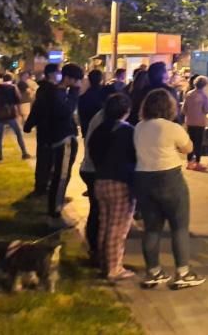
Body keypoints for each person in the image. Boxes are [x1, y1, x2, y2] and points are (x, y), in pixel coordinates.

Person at [133, 88, 204, 290]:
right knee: (179, 226)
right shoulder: (171, 128)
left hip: (144, 179)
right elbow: (188, 148)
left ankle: (153, 271)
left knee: (151, 228)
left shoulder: (139, 127)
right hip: (169, 178)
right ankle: (182, 272)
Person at [25, 63, 83, 222]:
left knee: (60, 175)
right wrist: (75, 92)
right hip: (62, 138)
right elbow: (66, 112)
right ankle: (55, 213)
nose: (78, 84)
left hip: (60, 137)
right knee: (61, 176)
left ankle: (55, 208)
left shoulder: (57, 91)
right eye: (77, 80)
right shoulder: (58, 93)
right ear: (69, 78)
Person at [89, 93, 136, 281]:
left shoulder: (99, 129)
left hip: (100, 181)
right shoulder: (127, 131)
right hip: (120, 182)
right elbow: (134, 157)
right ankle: (113, 268)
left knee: (105, 224)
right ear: (126, 111)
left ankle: (103, 261)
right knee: (117, 228)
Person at [79, 104, 106, 268]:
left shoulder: (99, 116)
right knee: (98, 211)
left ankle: (95, 248)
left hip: (89, 169)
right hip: (94, 170)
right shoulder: (105, 122)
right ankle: (96, 250)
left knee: (96, 210)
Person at [28, 63, 61, 193]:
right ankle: (42, 186)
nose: (60, 75)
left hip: (44, 129)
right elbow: (39, 108)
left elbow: (36, 109)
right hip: (49, 130)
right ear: (52, 74)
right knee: (47, 159)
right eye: (58, 72)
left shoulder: (44, 88)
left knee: (44, 158)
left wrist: (30, 124)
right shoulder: (50, 89)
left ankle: (42, 185)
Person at [0, 73, 29, 162]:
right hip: (11, 115)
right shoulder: (13, 88)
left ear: (3, 79)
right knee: (18, 133)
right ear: (11, 80)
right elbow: (18, 101)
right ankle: (24, 153)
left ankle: (0, 156)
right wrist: (21, 114)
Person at [181, 76, 208, 171]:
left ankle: (189, 162)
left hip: (190, 121)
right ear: (204, 85)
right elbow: (207, 110)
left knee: (190, 142)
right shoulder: (204, 96)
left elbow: (183, 109)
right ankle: (197, 162)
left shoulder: (189, 94)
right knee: (198, 143)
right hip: (200, 122)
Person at [78, 69, 106, 138]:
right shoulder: (107, 92)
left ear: (89, 80)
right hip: (103, 130)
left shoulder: (83, 96)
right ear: (101, 79)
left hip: (88, 131)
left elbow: (81, 115)